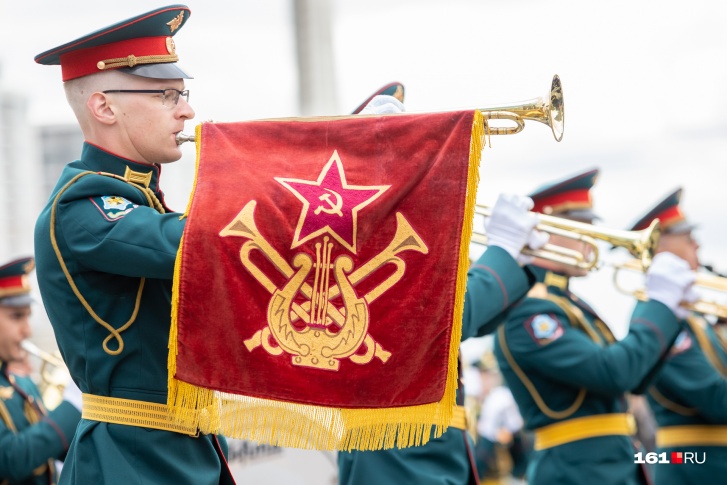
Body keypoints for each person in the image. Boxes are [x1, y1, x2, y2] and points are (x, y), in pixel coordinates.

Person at [32, 5, 412, 485]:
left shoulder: (143, 200)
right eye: (166, 95)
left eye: (182, 93)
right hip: (130, 461)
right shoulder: (82, 204)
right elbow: (206, 241)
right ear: (104, 106)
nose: (186, 109)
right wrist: (334, 167)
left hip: (180, 452)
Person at [492, 168, 697, 485]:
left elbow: (636, 379)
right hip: (574, 470)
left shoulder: (568, 304)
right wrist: (658, 306)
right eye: (581, 229)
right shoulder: (531, 313)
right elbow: (614, 373)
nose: (591, 241)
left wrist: (672, 315)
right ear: (546, 231)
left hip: (606, 466)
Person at [338, 190, 551, 485]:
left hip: (420, 448)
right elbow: (436, 322)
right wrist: (502, 253)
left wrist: (515, 262)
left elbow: (467, 323)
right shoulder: (372, 240)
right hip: (401, 450)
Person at [629, 188, 727, 484]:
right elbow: (717, 400)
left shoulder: (692, 315)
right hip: (694, 466)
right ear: (659, 248)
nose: (697, 244)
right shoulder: (659, 318)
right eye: (687, 238)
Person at [0, 256, 81, 485]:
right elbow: (10, 459)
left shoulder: (19, 381)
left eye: (27, 316)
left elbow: (53, 450)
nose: (27, 331)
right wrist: (73, 405)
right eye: (17, 317)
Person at [473, 351, 531, 485]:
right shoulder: (477, 396)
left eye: (488, 375)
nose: (484, 379)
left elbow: (510, 427)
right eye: (482, 375)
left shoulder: (499, 396)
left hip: (500, 460)